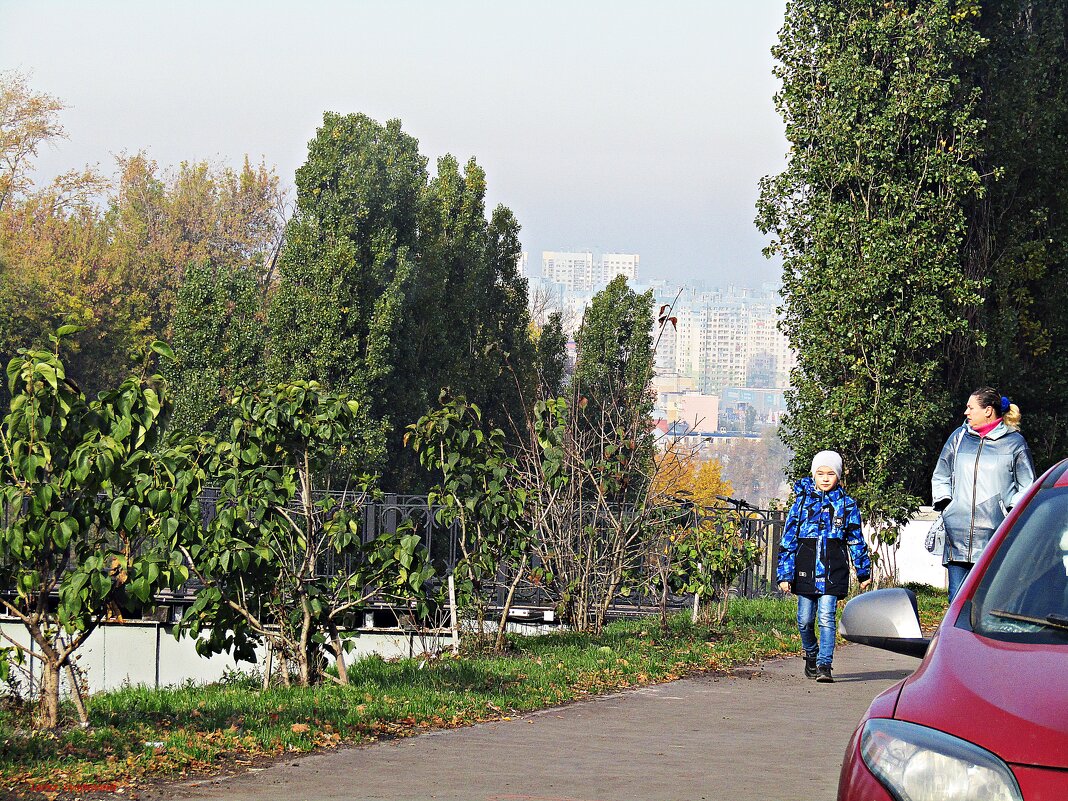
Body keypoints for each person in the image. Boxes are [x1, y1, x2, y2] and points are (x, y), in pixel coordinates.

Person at [932, 387, 1036, 602]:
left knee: (987, 603)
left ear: (988, 410)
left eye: (971, 407)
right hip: (957, 537)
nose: (966, 412)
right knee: (956, 602)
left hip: (994, 539)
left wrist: (1008, 514)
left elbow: (1027, 487)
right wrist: (947, 507)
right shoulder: (958, 438)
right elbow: (941, 474)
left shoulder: (1015, 443)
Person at [776, 451, 872, 683]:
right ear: (813, 475)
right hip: (805, 569)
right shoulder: (800, 503)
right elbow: (787, 541)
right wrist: (784, 574)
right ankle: (811, 652)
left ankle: (824, 665)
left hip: (833, 570)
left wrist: (863, 571)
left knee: (827, 617)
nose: (826, 478)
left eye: (831, 474)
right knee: (804, 619)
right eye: (820, 474)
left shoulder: (847, 505)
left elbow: (855, 539)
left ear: (838, 476)